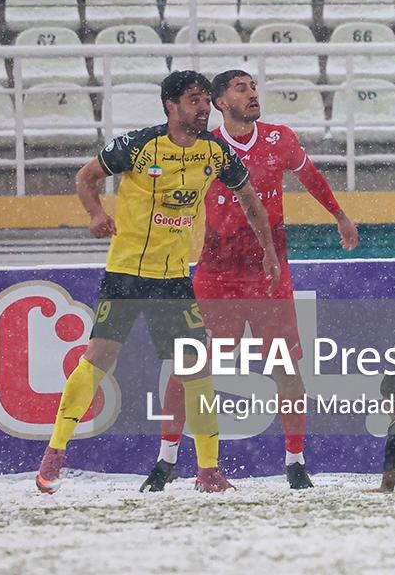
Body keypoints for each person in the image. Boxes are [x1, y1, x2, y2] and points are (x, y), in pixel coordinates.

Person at [37, 71, 277, 494]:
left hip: (173, 279)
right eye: (194, 100)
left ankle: (208, 470)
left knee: (195, 369)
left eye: (205, 100)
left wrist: (268, 250)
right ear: (171, 105)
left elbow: (250, 200)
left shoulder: (215, 151)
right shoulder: (139, 146)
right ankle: (55, 452)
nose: (203, 108)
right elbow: (85, 177)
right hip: (127, 273)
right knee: (99, 358)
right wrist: (96, 213)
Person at [145, 70, 360, 492]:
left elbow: (311, 177)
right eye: (241, 89)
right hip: (217, 275)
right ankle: (166, 459)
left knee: (285, 368)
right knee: (189, 366)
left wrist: (339, 215)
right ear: (221, 102)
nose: (252, 94)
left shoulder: (280, 139)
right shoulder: (205, 147)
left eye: (254, 87)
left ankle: (295, 463)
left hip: (268, 275)